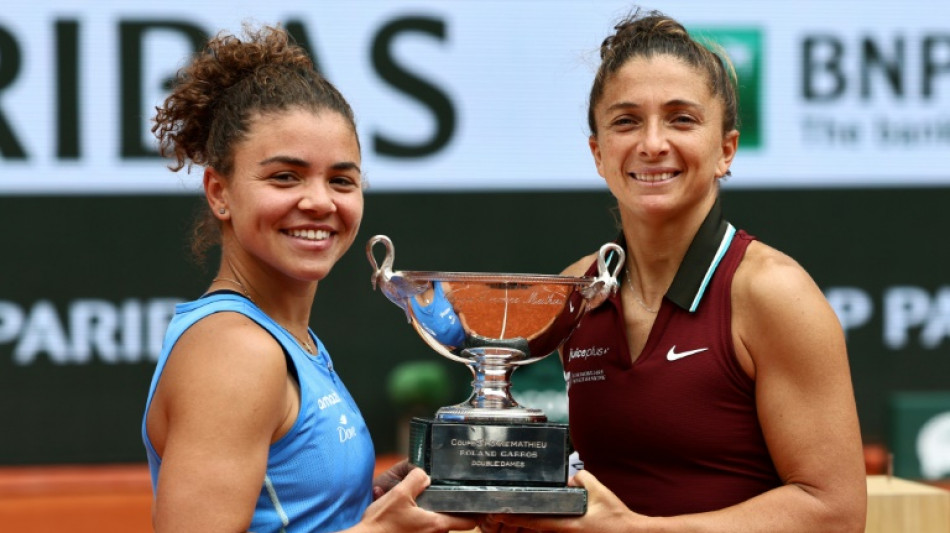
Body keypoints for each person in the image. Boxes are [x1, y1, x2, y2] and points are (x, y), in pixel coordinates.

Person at [482, 7, 867, 533]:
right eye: (626, 121)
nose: (653, 144)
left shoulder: (772, 291)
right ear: (598, 153)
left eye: (681, 119)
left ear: (725, 150)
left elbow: (836, 514)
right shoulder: (581, 288)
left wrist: (637, 531)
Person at [140, 24, 476, 533]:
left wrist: (379, 501)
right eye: (285, 177)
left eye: (341, 180)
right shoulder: (236, 352)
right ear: (220, 192)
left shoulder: (287, 339)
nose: (320, 201)